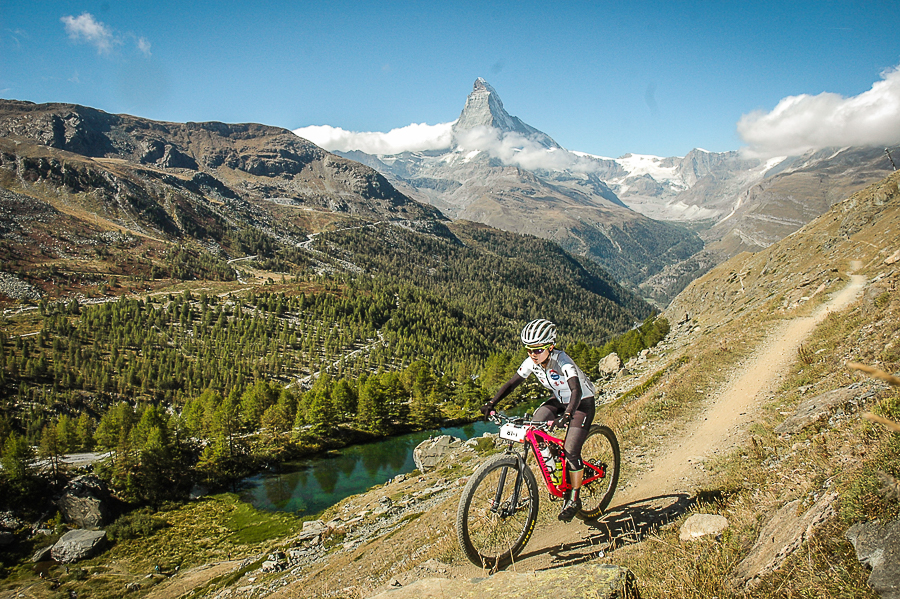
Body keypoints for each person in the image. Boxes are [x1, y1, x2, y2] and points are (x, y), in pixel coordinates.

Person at [480, 318, 597, 522]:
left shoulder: (563, 361)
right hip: (559, 400)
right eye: (529, 350)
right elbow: (511, 384)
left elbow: (576, 391)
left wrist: (567, 416)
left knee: (571, 450)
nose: (533, 355)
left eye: (538, 350)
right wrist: (491, 403)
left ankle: (575, 498)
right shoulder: (531, 363)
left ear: (550, 346)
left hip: (581, 404)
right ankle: (557, 468)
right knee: (533, 430)